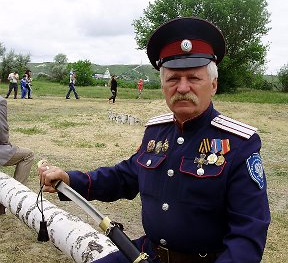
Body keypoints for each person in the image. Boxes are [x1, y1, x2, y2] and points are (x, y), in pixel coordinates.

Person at [38, 17, 270, 263]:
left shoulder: (239, 143)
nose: (182, 87)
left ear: (213, 85)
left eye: (193, 78)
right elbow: (124, 177)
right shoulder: (156, 131)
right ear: (163, 86)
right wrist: (70, 180)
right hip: (146, 255)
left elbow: (248, 236)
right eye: (172, 79)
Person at [0, 95, 34, 215]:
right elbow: (2, 128)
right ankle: (16, 196)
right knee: (28, 155)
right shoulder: (1, 101)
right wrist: (6, 144)